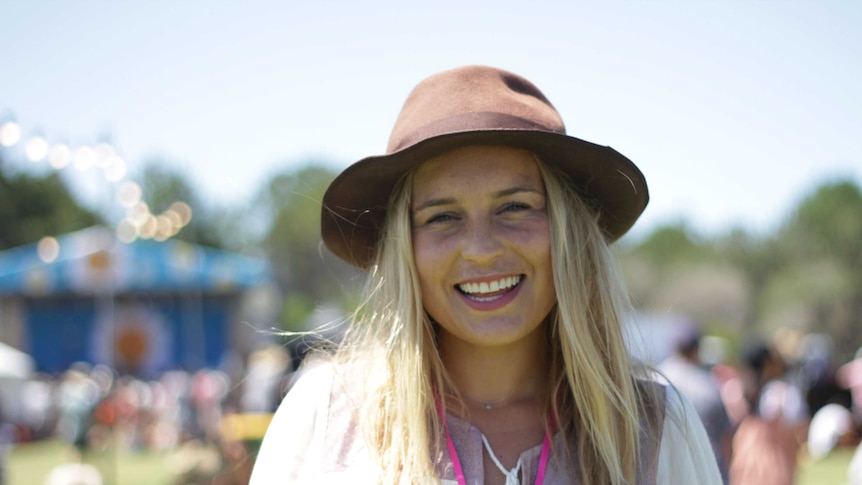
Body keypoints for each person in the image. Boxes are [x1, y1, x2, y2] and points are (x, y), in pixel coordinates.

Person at [250, 65, 721, 484]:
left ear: (569, 233)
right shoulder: (327, 414)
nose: (480, 250)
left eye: (515, 207)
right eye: (441, 217)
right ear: (403, 248)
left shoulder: (655, 426)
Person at [657, 324, 733, 483]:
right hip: (703, 471)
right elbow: (726, 439)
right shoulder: (708, 385)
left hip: (663, 471)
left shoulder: (653, 379)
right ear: (696, 350)